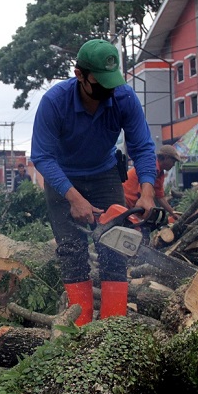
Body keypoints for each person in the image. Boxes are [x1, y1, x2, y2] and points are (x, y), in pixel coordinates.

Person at [31, 39, 157, 326]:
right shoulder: (55, 102)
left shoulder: (123, 98)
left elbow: (143, 147)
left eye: (111, 84)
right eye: (100, 83)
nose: (107, 91)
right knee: (72, 251)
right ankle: (80, 326)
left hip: (104, 174)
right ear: (80, 75)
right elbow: (42, 157)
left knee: (115, 249)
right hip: (62, 178)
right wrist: (74, 198)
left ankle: (113, 327)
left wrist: (146, 192)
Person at [123, 145, 182, 221]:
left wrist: (172, 213)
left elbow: (160, 197)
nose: (173, 164)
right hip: (125, 202)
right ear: (166, 157)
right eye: (173, 161)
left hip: (132, 205)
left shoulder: (160, 174)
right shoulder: (151, 167)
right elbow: (141, 194)